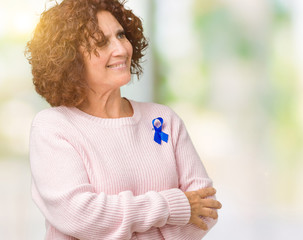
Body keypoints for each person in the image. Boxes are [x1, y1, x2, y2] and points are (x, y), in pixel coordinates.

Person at [25, 0, 222, 239]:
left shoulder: (163, 119)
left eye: (120, 35)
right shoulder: (54, 127)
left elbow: (205, 210)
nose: (120, 49)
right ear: (69, 58)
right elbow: (80, 215)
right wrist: (175, 207)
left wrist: (116, 223)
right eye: (101, 42)